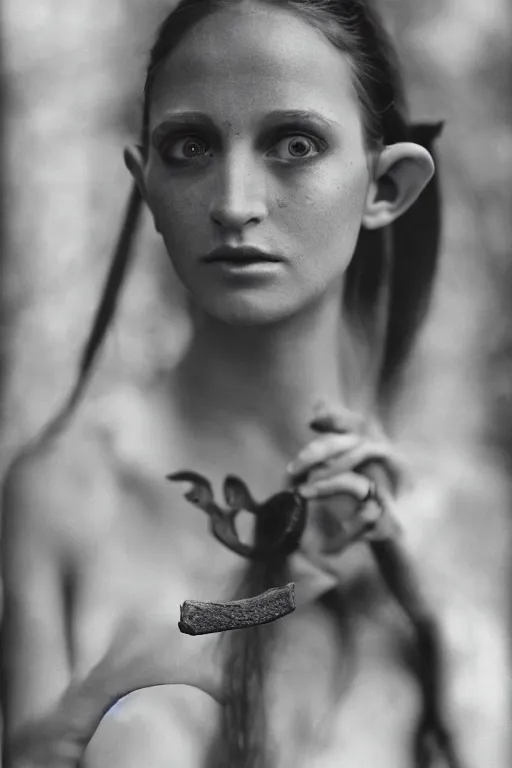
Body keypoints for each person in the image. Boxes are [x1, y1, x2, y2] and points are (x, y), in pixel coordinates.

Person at [0, 1, 463, 767]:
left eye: (294, 143)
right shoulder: (67, 489)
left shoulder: (457, 514)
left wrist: (407, 584)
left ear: (386, 188)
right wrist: (109, 698)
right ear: (144, 179)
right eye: (189, 146)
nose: (234, 205)